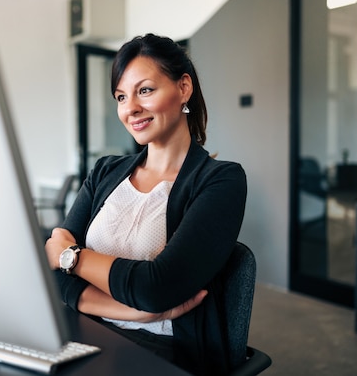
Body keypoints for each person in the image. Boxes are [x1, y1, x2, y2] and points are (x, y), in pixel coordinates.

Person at [45, 33, 247, 376]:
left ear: (184, 88)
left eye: (145, 90)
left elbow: (156, 288)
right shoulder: (105, 171)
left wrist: (72, 257)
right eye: (121, 96)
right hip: (81, 333)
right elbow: (53, 274)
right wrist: (135, 311)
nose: (130, 108)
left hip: (160, 353)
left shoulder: (221, 181)